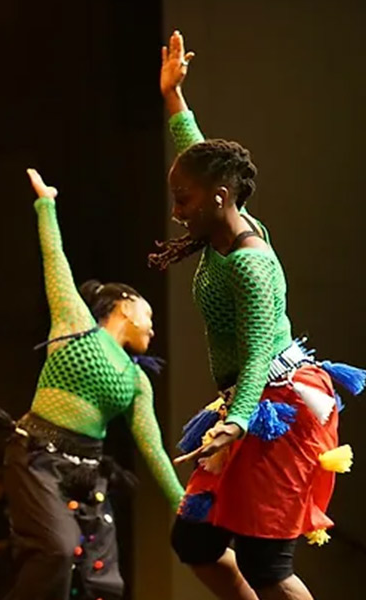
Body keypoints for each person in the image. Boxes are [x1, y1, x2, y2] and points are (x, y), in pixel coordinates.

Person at [154, 31, 363, 600]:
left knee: (267, 564)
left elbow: (254, 360)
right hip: (254, 400)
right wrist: (175, 99)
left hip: (280, 406)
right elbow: (195, 154)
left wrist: (235, 424)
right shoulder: (224, 215)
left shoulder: (250, 264)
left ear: (219, 197)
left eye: (184, 200)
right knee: (195, 542)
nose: (177, 212)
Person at [0, 169, 184, 600]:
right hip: (37, 458)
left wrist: (182, 503)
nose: (153, 330)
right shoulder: (76, 324)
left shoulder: (137, 379)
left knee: (103, 580)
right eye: (149, 317)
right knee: (57, 553)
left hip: (87, 474)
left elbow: (153, 447)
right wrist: (46, 205)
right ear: (126, 307)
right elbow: (55, 258)